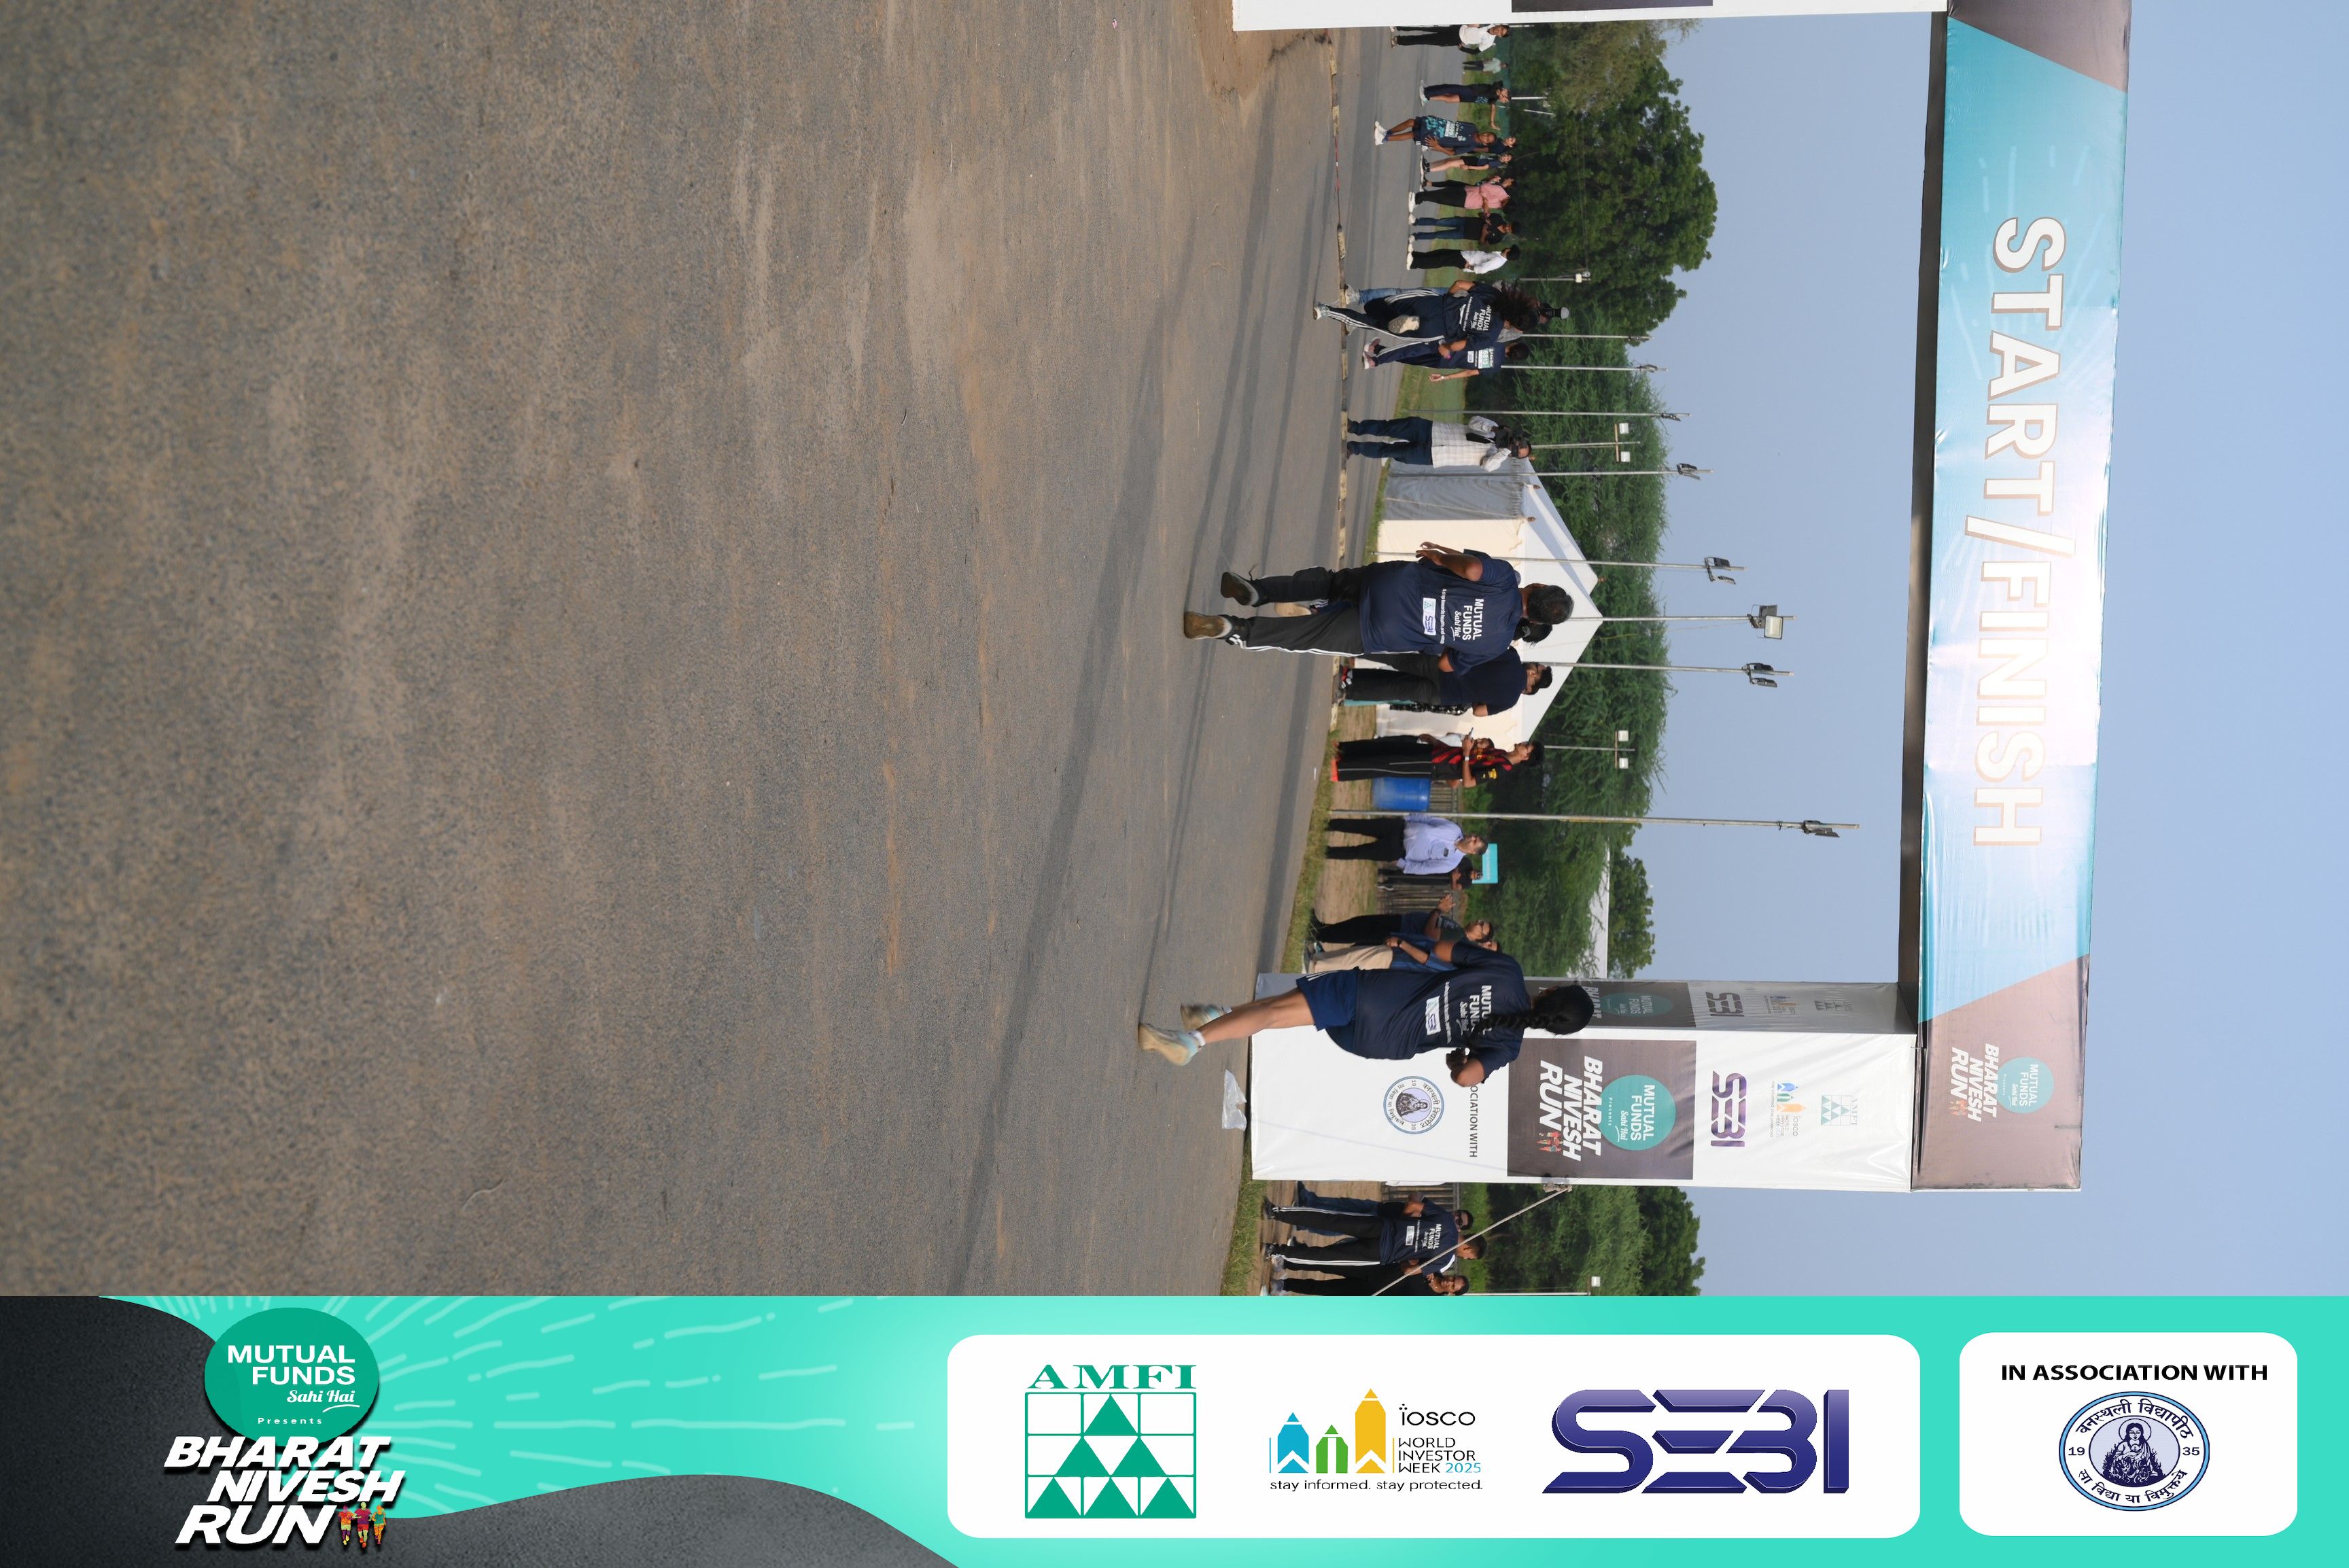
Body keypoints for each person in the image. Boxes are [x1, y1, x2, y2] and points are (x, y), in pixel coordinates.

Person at [1137, 951, 1597, 1079]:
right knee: (1289, 1007)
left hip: (1377, 998)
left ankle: (1192, 1043)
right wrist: (1458, 1057)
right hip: (1381, 1043)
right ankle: (1218, 1015)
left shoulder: (1508, 972)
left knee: (1278, 1012)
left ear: (1554, 990)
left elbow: (1441, 950)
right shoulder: (1509, 1046)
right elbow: (1466, 1078)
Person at [1183, 546, 1571, 670]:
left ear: (1537, 587)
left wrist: (1440, 556)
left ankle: (1257, 590)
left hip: (1394, 584)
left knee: (1329, 582)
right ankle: (1231, 628)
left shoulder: (1506, 580)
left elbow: (1471, 569)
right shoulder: (1497, 645)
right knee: (1303, 637)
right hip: (1383, 631)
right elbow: (1446, 665)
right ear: (1535, 620)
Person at [1266, 1194, 1478, 1275]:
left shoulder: (1447, 1220)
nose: (1465, 1258)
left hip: (1383, 1227)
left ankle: (1276, 1212)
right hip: (1381, 1252)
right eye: (1469, 1257)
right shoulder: (1444, 1260)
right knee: (1328, 1257)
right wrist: (1402, 1257)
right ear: (1468, 1249)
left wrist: (1403, 1223)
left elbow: (1413, 1205)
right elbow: (1409, 1271)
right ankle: (1276, 1250)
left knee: (1332, 1219)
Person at [1343, 650, 1555, 718]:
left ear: (1533, 673)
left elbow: (1482, 650)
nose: (1533, 664)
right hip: (1446, 695)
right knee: (1396, 690)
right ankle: (1350, 689)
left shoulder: (1512, 658)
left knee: (1399, 660)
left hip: (1445, 668)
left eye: (1537, 666)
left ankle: (1354, 648)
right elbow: (1478, 712)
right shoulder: (1510, 701)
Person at [1333, 734, 1542, 786]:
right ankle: (1345, 750)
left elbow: (1469, 782)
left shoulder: (1502, 768)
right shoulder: (1501, 752)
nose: (1523, 743)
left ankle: (1341, 770)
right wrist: (1438, 742)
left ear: (1525, 757)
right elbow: (1466, 753)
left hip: (1437, 766)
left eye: (1527, 746)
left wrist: (1467, 753)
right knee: (1390, 749)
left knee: (1388, 765)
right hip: (1435, 752)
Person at [1344, 413, 1528, 470]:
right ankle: (1355, 427)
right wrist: (1495, 430)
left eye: (1515, 452)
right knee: (1389, 428)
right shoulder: (1495, 428)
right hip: (1432, 431)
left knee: (1389, 451)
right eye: (1517, 445)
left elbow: (1487, 466)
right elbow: (1473, 422)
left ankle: (1354, 449)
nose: (1513, 448)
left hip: (1434, 456)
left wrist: (1505, 450)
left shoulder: (1497, 458)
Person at [1323, 814, 1484, 875]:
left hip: (1398, 851)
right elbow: (1429, 820)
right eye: (1475, 836)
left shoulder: (1451, 863)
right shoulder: (1455, 829)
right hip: (1398, 828)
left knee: (1359, 852)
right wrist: (1406, 819)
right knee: (1362, 826)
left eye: (1474, 842)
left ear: (1472, 852)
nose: (1472, 838)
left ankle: (1326, 852)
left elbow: (1424, 868)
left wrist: (1401, 863)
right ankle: (1329, 824)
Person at [1278, 1268, 1467, 1297]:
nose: (1449, 1282)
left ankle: (1285, 1285)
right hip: (1374, 1272)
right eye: (1453, 1279)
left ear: (1452, 1293)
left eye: (1453, 1286)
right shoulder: (1433, 1269)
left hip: (1371, 1292)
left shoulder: (1430, 1300)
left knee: (1324, 1289)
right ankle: (1286, 1261)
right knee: (1330, 1266)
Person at [1411, 213, 1514, 248]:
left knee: (1438, 235)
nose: (1507, 228)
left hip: (1464, 234)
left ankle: (1417, 236)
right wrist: (1485, 218)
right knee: (1439, 222)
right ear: (1510, 223)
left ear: (1510, 232)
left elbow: (1482, 244)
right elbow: (1480, 214)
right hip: (1464, 221)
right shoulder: (1498, 218)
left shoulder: (1499, 238)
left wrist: (1483, 234)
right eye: (1509, 226)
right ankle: (1417, 221)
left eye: (1509, 230)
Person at [1410, 243, 1515, 276]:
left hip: (1466, 261)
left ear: (1509, 251)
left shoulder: (1498, 261)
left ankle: (1414, 263)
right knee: (1441, 253)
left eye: (1509, 248)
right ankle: (1416, 255)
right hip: (1465, 255)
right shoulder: (1500, 256)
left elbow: (1483, 269)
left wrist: (1468, 266)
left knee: (1440, 260)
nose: (1507, 248)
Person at [1391, 22, 1507, 51]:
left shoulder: (1489, 42)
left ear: (1501, 37)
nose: (1499, 31)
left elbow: (1476, 52)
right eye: (1501, 29)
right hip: (1456, 28)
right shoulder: (1489, 22)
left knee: (1425, 40)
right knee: (1426, 26)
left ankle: (1399, 40)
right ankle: (1399, 25)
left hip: (1455, 39)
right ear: (1500, 25)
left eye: (1501, 33)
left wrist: (1463, 49)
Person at [1414, 177, 1511, 211]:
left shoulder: (1500, 206)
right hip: (1468, 195)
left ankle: (1424, 197)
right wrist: (1485, 200)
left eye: (1502, 207)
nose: (1501, 205)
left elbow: (1486, 206)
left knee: (1443, 200)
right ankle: (1420, 197)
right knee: (1444, 195)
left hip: (1468, 204)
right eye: (1504, 204)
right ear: (1508, 200)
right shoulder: (1500, 191)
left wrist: (1486, 211)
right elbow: (1484, 186)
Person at [1423, 82, 1508, 105]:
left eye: (1505, 102)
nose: (1503, 102)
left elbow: (1492, 104)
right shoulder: (1497, 89)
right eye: (1505, 100)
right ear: (1505, 94)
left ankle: (1427, 94)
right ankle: (1428, 93)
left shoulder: (1494, 97)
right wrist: (1501, 90)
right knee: (1448, 89)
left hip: (1470, 95)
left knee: (1449, 90)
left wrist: (1492, 123)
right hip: (1472, 91)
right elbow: (1497, 83)